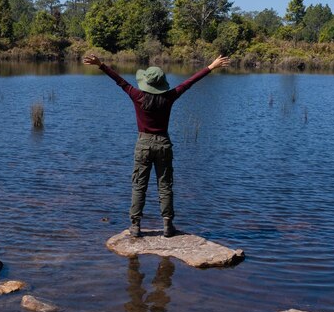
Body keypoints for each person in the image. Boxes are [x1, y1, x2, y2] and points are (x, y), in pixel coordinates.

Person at [83, 54, 230, 238]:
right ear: (161, 84)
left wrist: (101, 65)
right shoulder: (169, 97)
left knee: (139, 186)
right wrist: (210, 67)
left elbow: (119, 81)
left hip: (143, 144)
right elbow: (190, 82)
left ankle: (135, 226)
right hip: (163, 144)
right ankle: (168, 226)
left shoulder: (137, 95)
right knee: (165, 186)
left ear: (146, 83)